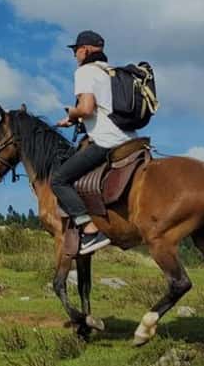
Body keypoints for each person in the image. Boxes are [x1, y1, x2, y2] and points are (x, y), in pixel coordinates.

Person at [54, 30, 137, 255]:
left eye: (76, 50)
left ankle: (90, 230)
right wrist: (74, 120)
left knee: (59, 180)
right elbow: (102, 108)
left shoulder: (85, 71)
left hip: (106, 141)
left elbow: (87, 108)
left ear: (86, 49)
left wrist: (72, 112)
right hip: (130, 139)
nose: (75, 55)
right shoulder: (112, 72)